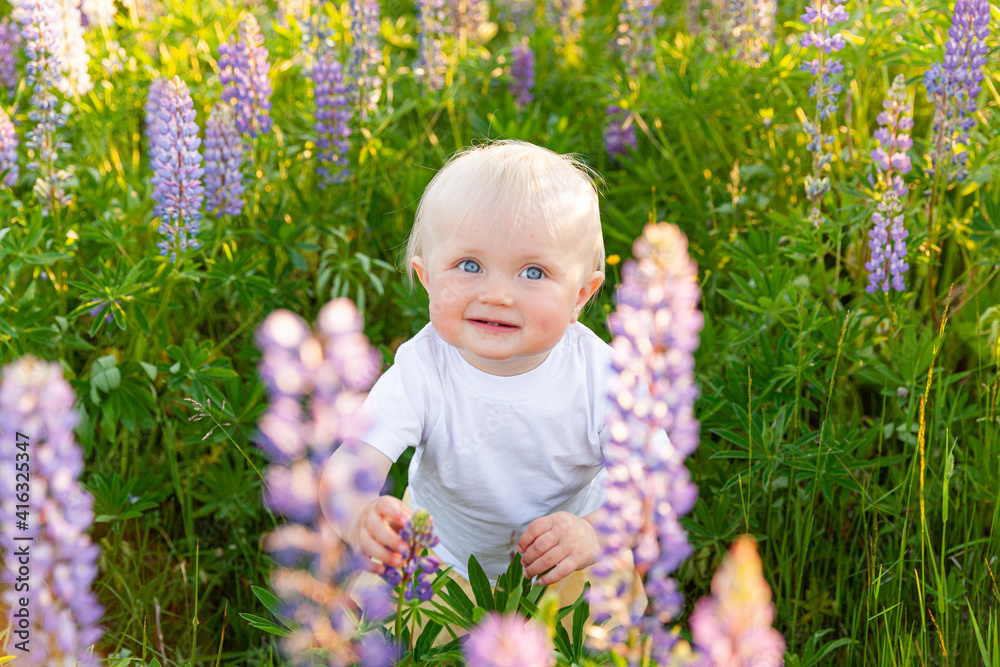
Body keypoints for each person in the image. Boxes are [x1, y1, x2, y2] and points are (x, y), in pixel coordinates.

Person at [323, 139, 622, 592]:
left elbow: (649, 486)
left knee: (600, 631)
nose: (497, 294)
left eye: (533, 272)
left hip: (570, 558)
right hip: (440, 560)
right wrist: (361, 515)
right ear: (427, 280)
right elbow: (348, 467)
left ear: (581, 294)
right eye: (469, 265)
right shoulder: (422, 370)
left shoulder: (599, 374)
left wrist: (595, 532)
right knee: (388, 615)